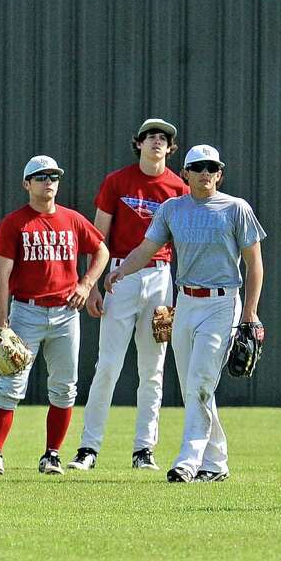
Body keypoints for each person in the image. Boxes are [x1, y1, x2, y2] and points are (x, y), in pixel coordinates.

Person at [105, 144, 265, 483]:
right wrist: (121, 270)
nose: (206, 173)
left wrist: (250, 313)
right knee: (194, 387)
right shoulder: (172, 209)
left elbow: (255, 265)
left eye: (212, 167)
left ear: (220, 175)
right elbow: (146, 249)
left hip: (222, 302)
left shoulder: (236, 208)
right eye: (199, 167)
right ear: (186, 174)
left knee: (200, 383)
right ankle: (216, 463)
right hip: (186, 302)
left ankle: (187, 462)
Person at [67, 118, 188, 472]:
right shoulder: (117, 182)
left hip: (161, 278)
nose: (157, 142)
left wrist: (178, 295)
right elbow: (97, 238)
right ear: (138, 143)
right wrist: (91, 284)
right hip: (120, 277)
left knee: (153, 368)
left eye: (163, 138)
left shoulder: (179, 188)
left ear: (170, 148)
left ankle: (144, 450)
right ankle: (88, 448)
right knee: (108, 365)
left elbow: (184, 242)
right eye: (150, 136)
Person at [0, 155, 109, 475]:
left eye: (53, 176)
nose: (48, 182)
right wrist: (1, 323)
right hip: (27, 311)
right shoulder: (15, 223)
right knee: (11, 385)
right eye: (41, 177)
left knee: (65, 388)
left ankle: (52, 455)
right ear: (27, 184)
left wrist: (86, 284)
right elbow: (1, 276)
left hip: (66, 313)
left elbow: (102, 250)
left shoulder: (72, 219)